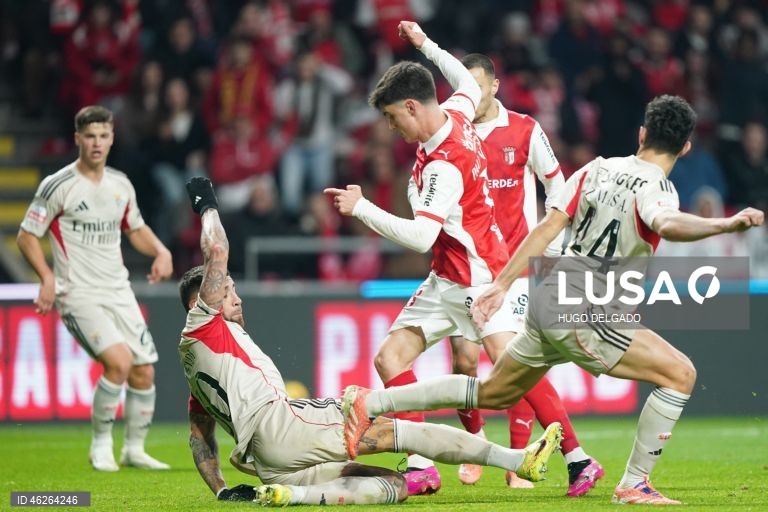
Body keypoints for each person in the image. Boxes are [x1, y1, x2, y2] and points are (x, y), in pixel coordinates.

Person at [340, 95, 765, 505]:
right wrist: (724, 225)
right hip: (590, 307)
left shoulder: (596, 169)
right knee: (681, 374)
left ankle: (373, 404)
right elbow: (666, 222)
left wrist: (502, 283)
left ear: (640, 135)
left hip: (550, 296)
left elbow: (545, 228)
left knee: (490, 392)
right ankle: (634, 484)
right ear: (686, 147)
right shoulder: (659, 188)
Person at [178, 177, 563, 506]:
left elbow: (200, 437)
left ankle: (291, 496)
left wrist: (222, 492)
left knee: (393, 486)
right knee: (396, 417)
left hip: (269, 460)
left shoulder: (197, 367)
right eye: (227, 292)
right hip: (286, 424)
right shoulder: (204, 323)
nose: (236, 297)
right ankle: (514, 453)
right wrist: (207, 204)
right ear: (202, 302)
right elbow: (216, 250)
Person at [324, 22, 515, 495]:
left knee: (514, 374)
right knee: (390, 359)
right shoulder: (456, 111)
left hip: (474, 279)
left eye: (393, 117)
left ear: (412, 106)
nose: (392, 128)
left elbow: (420, 236)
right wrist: (427, 45)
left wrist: (363, 208)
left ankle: (572, 455)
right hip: (448, 276)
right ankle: (419, 460)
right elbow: (468, 83)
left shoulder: (444, 165)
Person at [450, 53, 603, 495]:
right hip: (464, 263)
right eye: (462, 87)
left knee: (507, 359)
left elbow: (558, 184)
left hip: (514, 266)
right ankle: (475, 440)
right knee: (464, 360)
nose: (470, 96)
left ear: (495, 86)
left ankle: (523, 460)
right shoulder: (450, 131)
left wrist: (551, 244)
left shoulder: (525, 129)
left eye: (477, 86)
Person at [16, 105, 173, 472]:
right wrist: (47, 278)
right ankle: (100, 445)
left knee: (144, 370)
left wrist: (162, 250)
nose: (97, 143)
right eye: (90, 136)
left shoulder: (121, 184)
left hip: (118, 290)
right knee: (119, 363)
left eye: (103, 136)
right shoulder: (58, 185)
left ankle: (134, 450)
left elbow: (134, 228)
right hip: (77, 293)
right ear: (77, 139)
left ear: (112, 138)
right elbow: (26, 236)